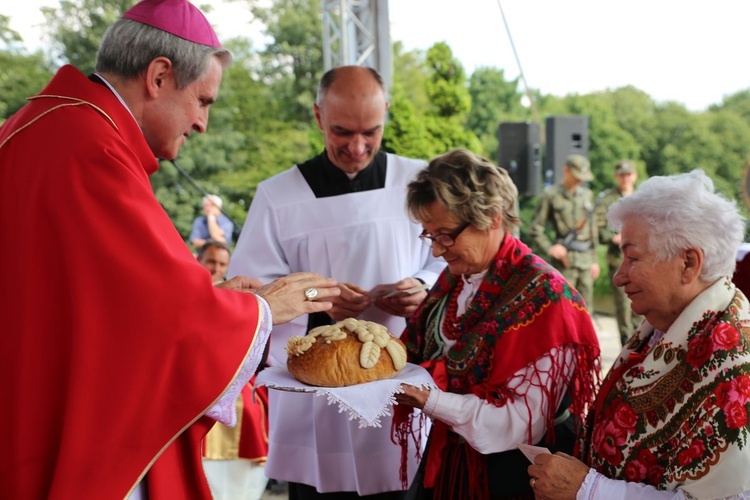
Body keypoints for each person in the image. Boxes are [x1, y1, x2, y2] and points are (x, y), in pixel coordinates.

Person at [0, 1, 339, 498]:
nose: (202, 123)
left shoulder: (43, 127)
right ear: (159, 76)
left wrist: (218, 296)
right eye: (203, 101)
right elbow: (164, 321)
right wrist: (261, 310)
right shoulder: (91, 150)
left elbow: (96, 309)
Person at [228, 65, 447, 498]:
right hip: (318, 393)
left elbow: (448, 258)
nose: (357, 146)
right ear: (318, 117)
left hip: (398, 378)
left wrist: (422, 287)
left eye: (371, 131)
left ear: (386, 112)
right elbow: (253, 291)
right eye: (342, 132)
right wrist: (317, 301)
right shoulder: (279, 196)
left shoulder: (419, 181)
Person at [528, 170, 750, 499]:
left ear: (688, 263)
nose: (618, 277)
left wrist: (588, 489)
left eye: (632, 258)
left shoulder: (738, 368)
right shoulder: (668, 323)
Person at [393, 148, 601, 500]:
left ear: (490, 217)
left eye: (444, 235)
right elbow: (415, 349)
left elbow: (519, 422)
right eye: (429, 236)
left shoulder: (547, 298)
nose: (437, 252)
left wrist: (430, 401)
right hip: (455, 466)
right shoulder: (455, 280)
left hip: (522, 477)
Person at [196, 241, 270, 500]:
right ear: (198, 261)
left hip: (239, 389)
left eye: (222, 264)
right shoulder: (188, 296)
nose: (216, 269)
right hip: (197, 388)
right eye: (211, 262)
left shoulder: (240, 300)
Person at [529, 154, 600, 311]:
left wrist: (595, 260)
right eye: (576, 176)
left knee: (586, 311)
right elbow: (535, 229)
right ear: (565, 170)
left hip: (586, 261)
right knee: (562, 309)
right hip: (564, 262)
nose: (579, 180)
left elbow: (592, 229)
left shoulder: (586, 196)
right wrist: (549, 248)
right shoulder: (550, 195)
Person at [595, 160, 643, 345]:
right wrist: (613, 237)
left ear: (634, 176)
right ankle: (626, 346)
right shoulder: (607, 199)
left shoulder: (642, 197)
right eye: (622, 175)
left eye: (628, 174)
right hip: (618, 260)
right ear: (616, 177)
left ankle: (640, 346)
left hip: (641, 260)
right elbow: (598, 228)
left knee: (642, 304)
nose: (625, 178)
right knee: (623, 307)